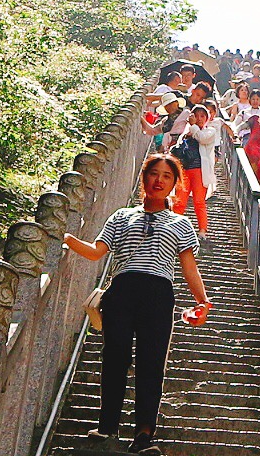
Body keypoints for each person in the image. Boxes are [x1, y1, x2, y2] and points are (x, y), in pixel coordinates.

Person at [62, 154, 211, 453]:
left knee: (152, 363)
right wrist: (64, 237)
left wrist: (202, 302)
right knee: (114, 358)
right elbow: (95, 252)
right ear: (144, 178)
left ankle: (144, 435)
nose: (159, 180)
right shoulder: (120, 216)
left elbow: (188, 267)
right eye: (153, 174)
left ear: (174, 184)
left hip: (158, 293)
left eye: (166, 176)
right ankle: (107, 429)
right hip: (122, 290)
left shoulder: (181, 224)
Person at [171, 103, 220, 231]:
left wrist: (193, 127)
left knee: (199, 202)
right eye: (196, 116)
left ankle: (203, 230)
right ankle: (174, 228)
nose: (199, 119)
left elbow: (202, 138)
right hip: (184, 169)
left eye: (202, 116)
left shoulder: (210, 131)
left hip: (200, 171)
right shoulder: (186, 133)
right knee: (180, 201)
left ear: (207, 118)